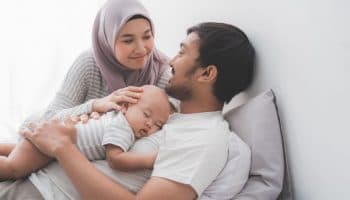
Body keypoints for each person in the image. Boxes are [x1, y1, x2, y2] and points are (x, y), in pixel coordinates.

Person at [0, 22, 255, 199]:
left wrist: (63, 148)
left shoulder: (205, 139)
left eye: (182, 52)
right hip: (29, 176)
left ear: (207, 73)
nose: (170, 60)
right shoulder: (170, 113)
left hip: (36, 194)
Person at [0, 0, 171, 174]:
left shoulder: (161, 71)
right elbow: (49, 118)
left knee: (18, 154)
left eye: (147, 36)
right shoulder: (89, 63)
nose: (141, 48)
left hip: (72, 145)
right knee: (14, 165)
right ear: (107, 39)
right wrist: (95, 105)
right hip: (52, 131)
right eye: (128, 40)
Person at [0, 85, 171, 181]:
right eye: (146, 115)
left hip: (49, 138)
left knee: (15, 150)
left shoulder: (114, 117)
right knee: (12, 169)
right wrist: (148, 160)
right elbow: (115, 159)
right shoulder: (123, 128)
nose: (150, 124)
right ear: (125, 106)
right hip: (50, 142)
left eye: (158, 124)